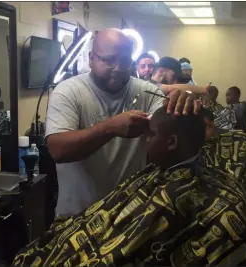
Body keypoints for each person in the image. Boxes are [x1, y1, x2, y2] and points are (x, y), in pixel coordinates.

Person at [14, 105, 246, 267]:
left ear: (171, 143)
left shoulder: (182, 194)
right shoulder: (161, 173)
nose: (146, 140)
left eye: (151, 135)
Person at [45, 28, 200, 216]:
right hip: (77, 217)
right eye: (108, 60)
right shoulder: (68, 92)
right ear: (91, 58)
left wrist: (185, 102)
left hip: (127, 217)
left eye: (125, 62)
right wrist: (109, 128)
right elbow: (58, 150)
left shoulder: (146, 92)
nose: (117, 68)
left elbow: (170, 128)